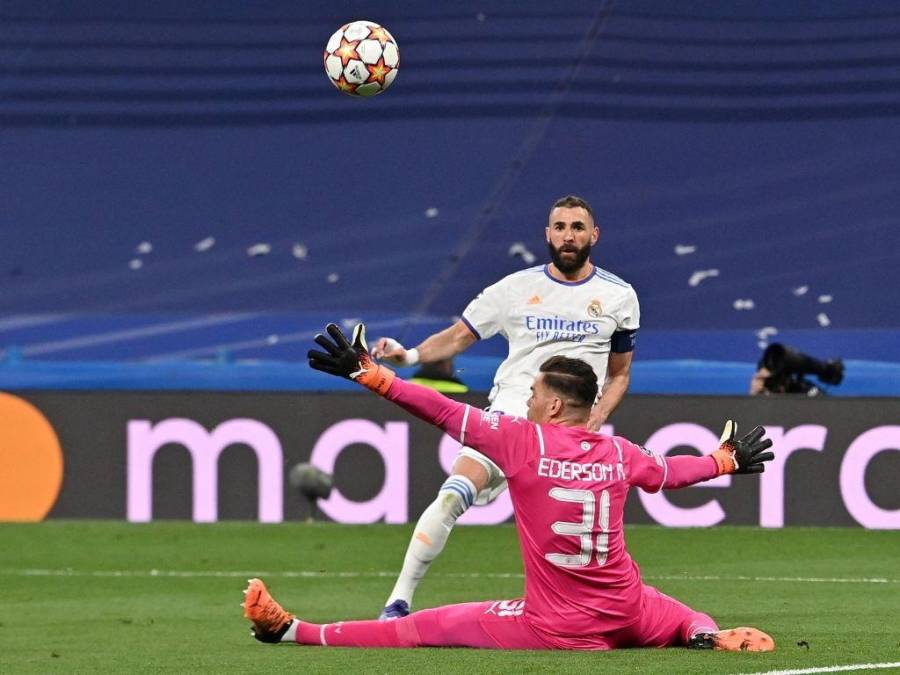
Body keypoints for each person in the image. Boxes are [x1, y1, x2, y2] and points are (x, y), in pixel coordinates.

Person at [241, 324, 776, 653]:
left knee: (427, 627)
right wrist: (724, 459)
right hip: (629, 611)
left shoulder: (523, 442)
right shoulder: (620, 453)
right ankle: (707, 636)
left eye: (533, 394)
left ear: (555, 406)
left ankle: (292, 632)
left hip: (555, 626)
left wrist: (373, 375)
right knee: (683, 615)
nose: (525, 402)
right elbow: (675, 475)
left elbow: (441, 409)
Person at [370, 194, 640, 618]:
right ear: (547, 234)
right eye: (560, 227)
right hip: (513, 414)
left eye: (577, 227)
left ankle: (590, 610)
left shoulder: (619, 296)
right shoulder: (515, 289)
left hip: (571, 432)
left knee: (575, 531)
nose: (568, 236)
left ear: (594, 235)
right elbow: (458, 337)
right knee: (452, 495)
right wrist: (407, 356)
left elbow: (619, 373)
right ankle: (397, 602)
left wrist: (596, 419)